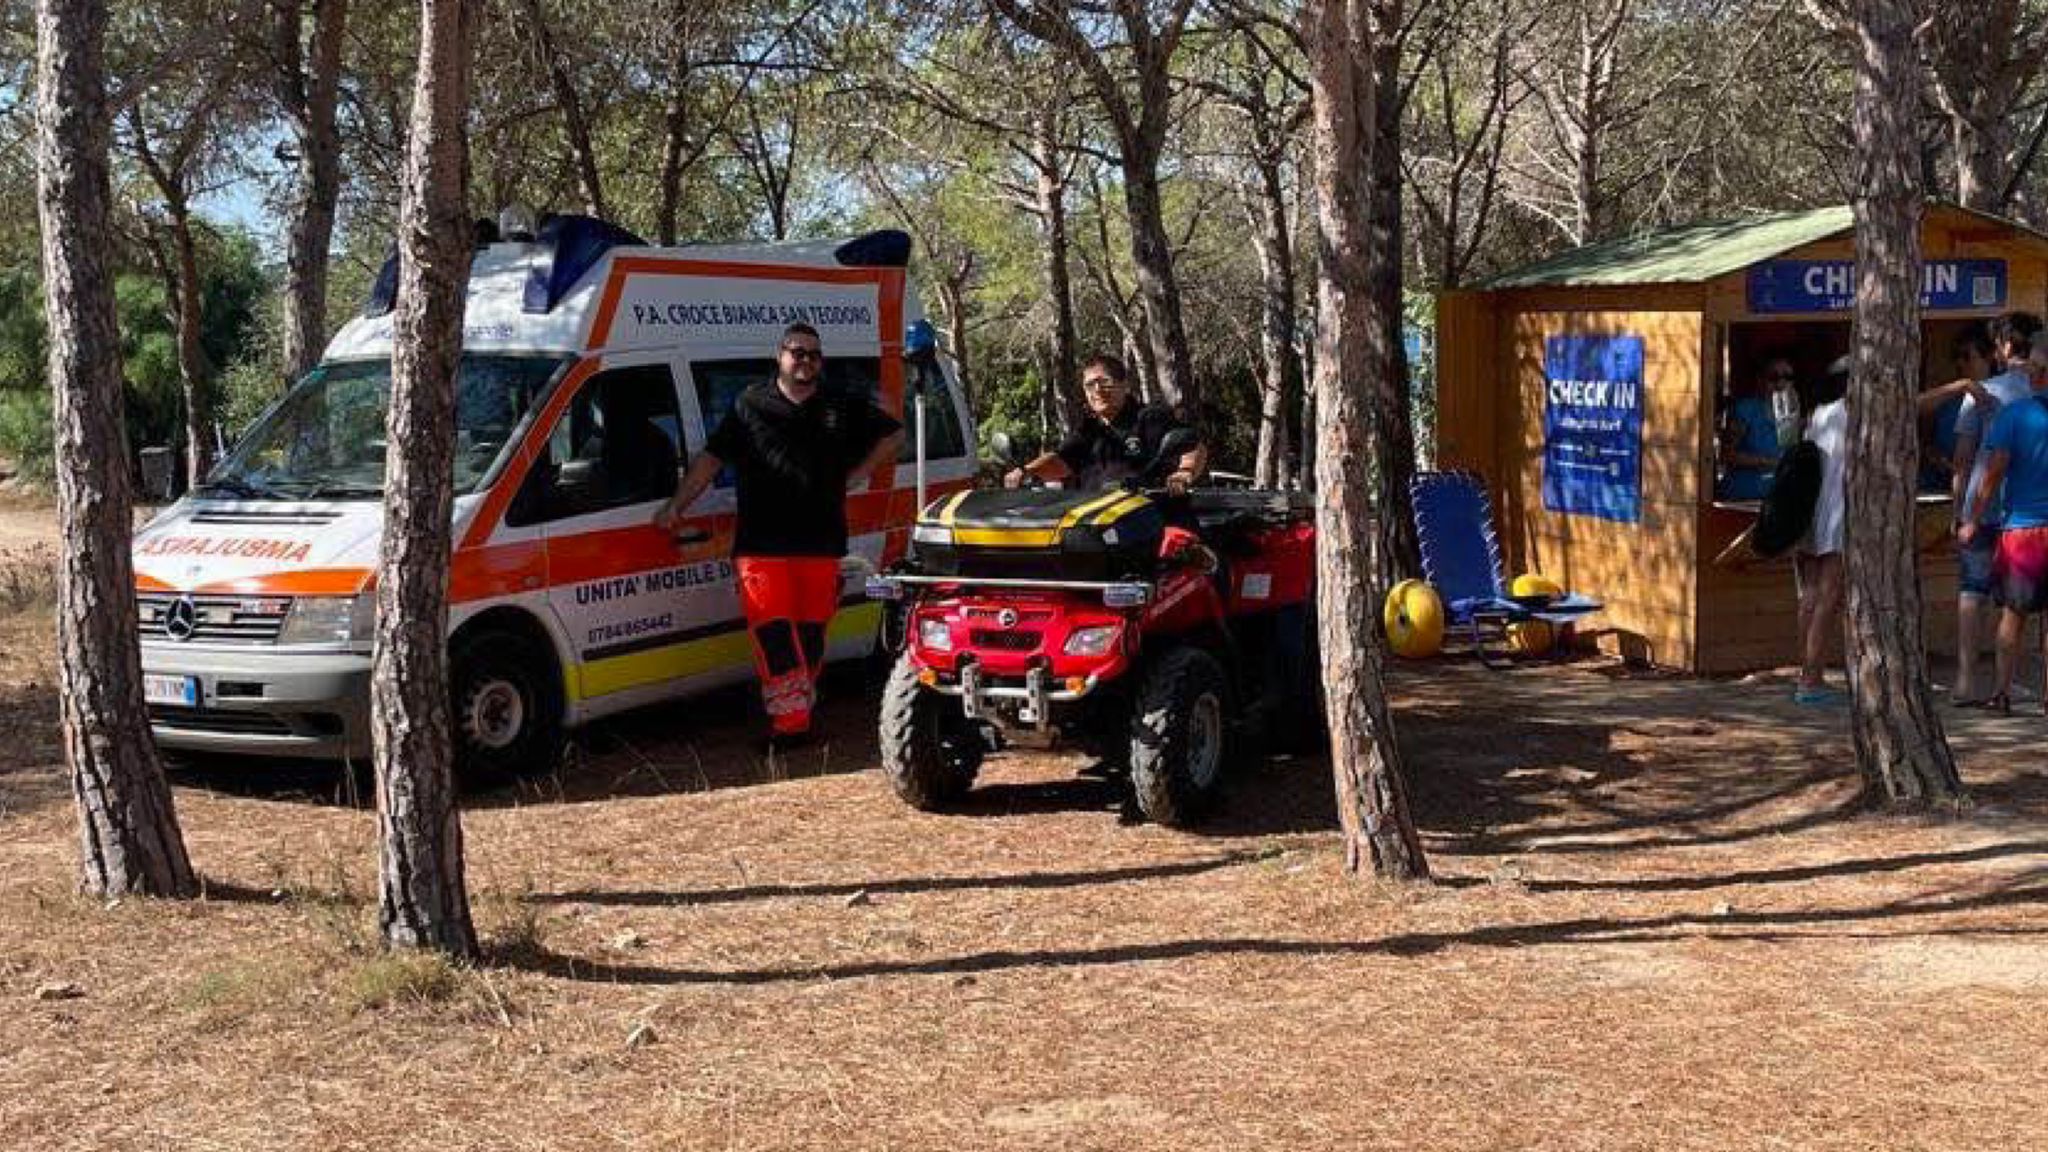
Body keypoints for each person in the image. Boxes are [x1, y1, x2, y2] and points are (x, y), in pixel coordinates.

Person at [655, 323, 903, 745]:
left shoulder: (839, 404)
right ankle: (789, 725)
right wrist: (677, 505)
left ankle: (797, 716)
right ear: (780, 356)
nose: (805, 361)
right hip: (761, 545)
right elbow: (712, 459)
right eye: (797, 352)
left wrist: (857, 474)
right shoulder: (751, 403)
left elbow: (894, 435)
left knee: (809, 638)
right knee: (774, 635)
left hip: (822, 543)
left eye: (813, 355)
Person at [1946, 312, 2039, 705]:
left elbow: (1963, 459)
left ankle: (1966, 680)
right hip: (2024, 511)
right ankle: (2007, 680)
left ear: (2002, 347)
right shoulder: (2038, 391)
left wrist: (1958, 510)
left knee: (1972, 590)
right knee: (2016, 603)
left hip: (1981, 508)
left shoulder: (1983, 392)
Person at [1004, 354, 1207, 492]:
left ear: (1124, 385)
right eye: (1090, 385)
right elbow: (1060, 460)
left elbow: (1192, 445)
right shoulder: (1089, 430)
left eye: (1105, 382)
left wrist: (1184, 472)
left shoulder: (1149, 417)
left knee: (1180, 545)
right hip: (1098, 523)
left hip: (1153, 518)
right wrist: (1025, 471)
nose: (1098, 391)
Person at [1793, 356, 1851, 706]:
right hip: (1837, 512)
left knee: (1811, 598)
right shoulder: (1851, 412)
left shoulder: (1817, 413)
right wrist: (1956, 387)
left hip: (1810, 512)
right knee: (1827, 598)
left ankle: (1806, 673)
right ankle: (1811, 679)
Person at [1716, 358, 1802, 501]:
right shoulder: (1746, 410)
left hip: (1776, 499)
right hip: (1743, 496)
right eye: (1773, 378)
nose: (1780, 384)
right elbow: (1727, 455)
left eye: (1787, 377)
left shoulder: (1789, 414)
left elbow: (1786, 455)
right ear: (1760, 380)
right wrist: (1768, 462)